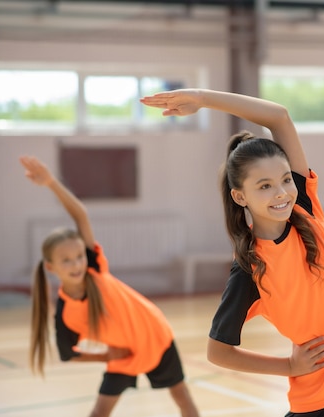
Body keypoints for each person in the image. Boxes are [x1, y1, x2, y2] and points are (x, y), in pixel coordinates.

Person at [140, 89, 324, 417]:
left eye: (285, 180)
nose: (281, 193)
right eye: (264, 186)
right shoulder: (251, 267)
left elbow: (278, 117)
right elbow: (219, 351)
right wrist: (289, 365)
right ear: (240, 197)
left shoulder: (306, 210)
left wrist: (203, 98)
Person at [20, 156, 200, 417]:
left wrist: (51, 183)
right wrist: (106, 355)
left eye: (79, 256)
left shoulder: (94, 269)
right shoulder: (65, 314)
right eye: (66, 260)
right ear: (51, 267)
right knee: (100, 412)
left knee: (181, 396)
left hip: (154, 336)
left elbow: (80, 214)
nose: (76, 264)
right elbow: (69, 354)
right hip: (122, 355)